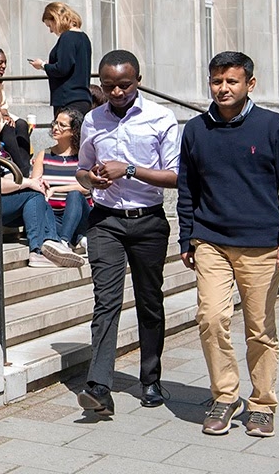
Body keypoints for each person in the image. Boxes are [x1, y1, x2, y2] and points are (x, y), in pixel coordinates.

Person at [178, 51, 279, 438]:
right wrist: (187, 236)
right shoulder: (196, 130)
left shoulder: (273, 126)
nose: (223, 88)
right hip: (211, 241)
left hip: (261, 244)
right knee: (211, 318)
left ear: (250, 84)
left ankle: (262, 404)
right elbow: (187, 189)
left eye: (231, 81)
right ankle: (224, 395)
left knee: (260, 329)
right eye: (216, 81)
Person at [75, 50, 180, 415]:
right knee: (106, 300)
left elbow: (175, 176)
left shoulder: (161, 118)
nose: (117, 92)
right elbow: (81, 170)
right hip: (106, 221)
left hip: (148, 221)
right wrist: (92, 178)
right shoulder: (93, 120)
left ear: (138, 80)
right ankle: (99, 385)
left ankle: (150, 378)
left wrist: (129, 169)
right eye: (109, 86)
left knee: (149, 300)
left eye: (124, 85)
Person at [0, 94, 85, 268]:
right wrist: (28, 183)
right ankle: (39, 251)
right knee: (33, 195)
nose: (4, 118)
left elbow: (6, 178)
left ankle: (52, 243)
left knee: (38, 199)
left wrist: (31, 182)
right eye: (1, 112)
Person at [31, 108, 91, 255]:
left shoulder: (83, 157)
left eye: (62, 125)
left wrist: (56, 189)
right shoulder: (44, 155)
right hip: (54, 216)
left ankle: (63, 242)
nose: (55, 128)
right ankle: (78, 239)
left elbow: (87, 187)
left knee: (75, 194)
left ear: (74, 131)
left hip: (82, 216)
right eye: (55, 123)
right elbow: (34, 184)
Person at [29, 2, 93, 117]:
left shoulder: (67, 37)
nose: (51, 30)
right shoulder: (84, 37)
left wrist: (43, 65)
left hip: (67, 99)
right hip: (83, 97)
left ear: (56, 19)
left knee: (63, 128)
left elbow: (62, 69)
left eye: (49, 25)